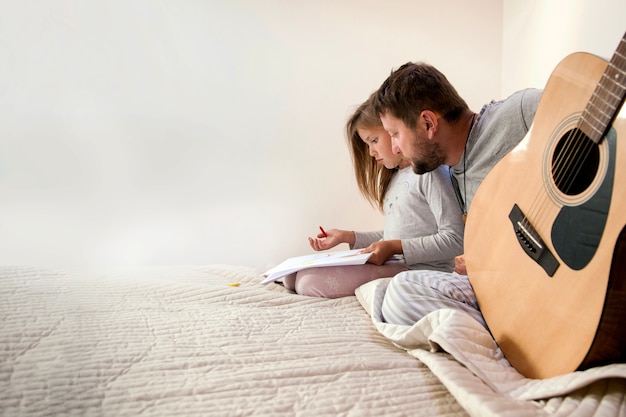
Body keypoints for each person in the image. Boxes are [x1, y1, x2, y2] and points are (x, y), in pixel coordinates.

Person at [371, 61, 542, 326]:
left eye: (395, 134)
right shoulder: (449, 174)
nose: (394, 148)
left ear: (428, 123)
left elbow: (603, 139)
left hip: (549, 279)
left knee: (398, 293)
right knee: (391, 292)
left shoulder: (520, 112)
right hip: (502, 289)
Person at [283, 94, 465, 298]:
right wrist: (348, 236)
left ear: (393, 129)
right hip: (396, 264)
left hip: (419, 272)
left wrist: (395, 247)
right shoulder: (397, 177)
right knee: (292, 277)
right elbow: (396, 236)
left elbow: (456, 239)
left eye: (374, 141)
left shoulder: (431, 174)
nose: (370, 152)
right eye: (367, 145)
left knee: (308, 283)